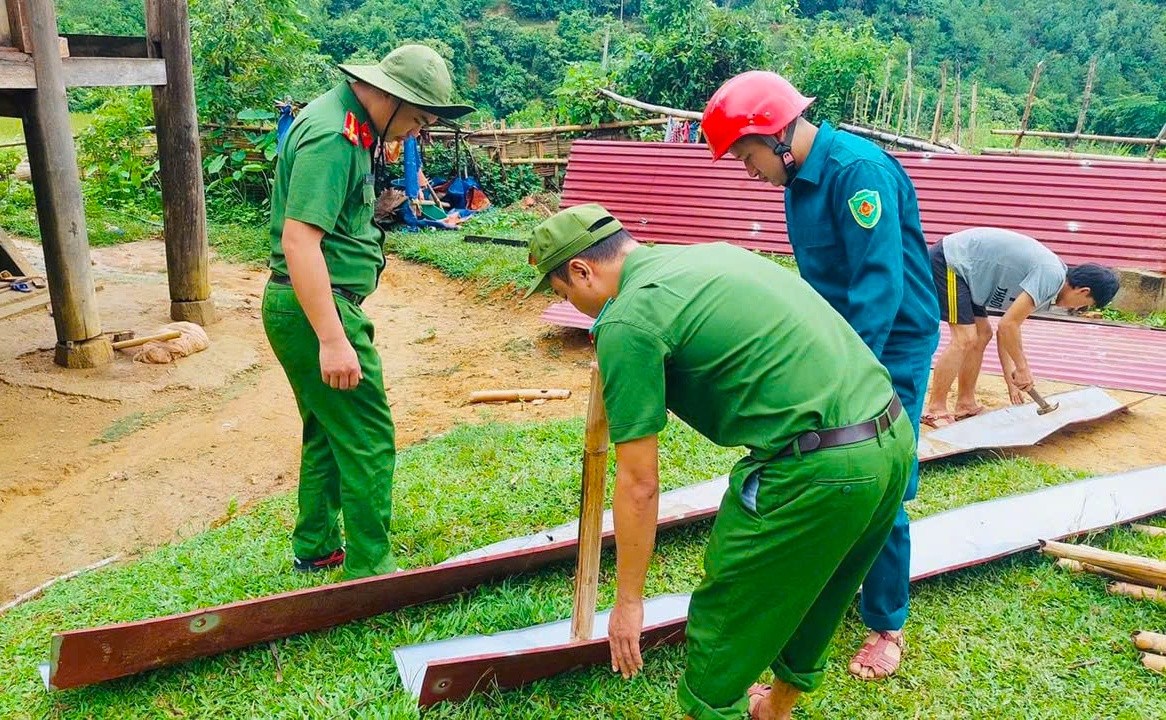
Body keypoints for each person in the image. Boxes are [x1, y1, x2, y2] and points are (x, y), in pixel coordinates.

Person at [525, 203, 915, 720]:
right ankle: (774, 709)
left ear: (581, 270)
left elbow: (639, 483)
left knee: (725, 613)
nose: (574, 306)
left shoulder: (628, 320)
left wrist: (629, 604)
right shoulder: (709, 257)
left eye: (565, 294)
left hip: (819, 468)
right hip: (891, 439)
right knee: (823, 588)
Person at [701, 70, 940, 681]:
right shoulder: (797, 181)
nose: (747, 170)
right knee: (817, 470)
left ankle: (887, 623)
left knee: (883, 479)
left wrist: (846, 381)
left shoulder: (859, 174)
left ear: (776, 134)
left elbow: (878, 288)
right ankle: (819, 590)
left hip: (891, 347)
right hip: (835, 346)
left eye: (746, 155)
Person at [262, 45, 473, 578]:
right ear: (390, 97)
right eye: (419, 119)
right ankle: (370, 574)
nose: (418, 133)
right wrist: (334, 340)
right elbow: (300, 243)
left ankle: (314, 546)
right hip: (319, 310)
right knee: (369, 439)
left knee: (328, 432)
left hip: (311, 307)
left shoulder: (351, 126)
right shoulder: (334, 137)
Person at [922, 227, 1120, 425]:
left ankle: (965, 404)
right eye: (1084, 305)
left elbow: (1006, 332)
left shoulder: (1051, 283)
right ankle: (935, 409)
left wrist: (1012, 377)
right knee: (965, 338)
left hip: (970, 274)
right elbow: (1008, 326)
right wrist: (1023, 368)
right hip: (952, 262)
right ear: (1084, 291)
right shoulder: (1051, 277)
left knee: (983, 334)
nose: (1078, 308)